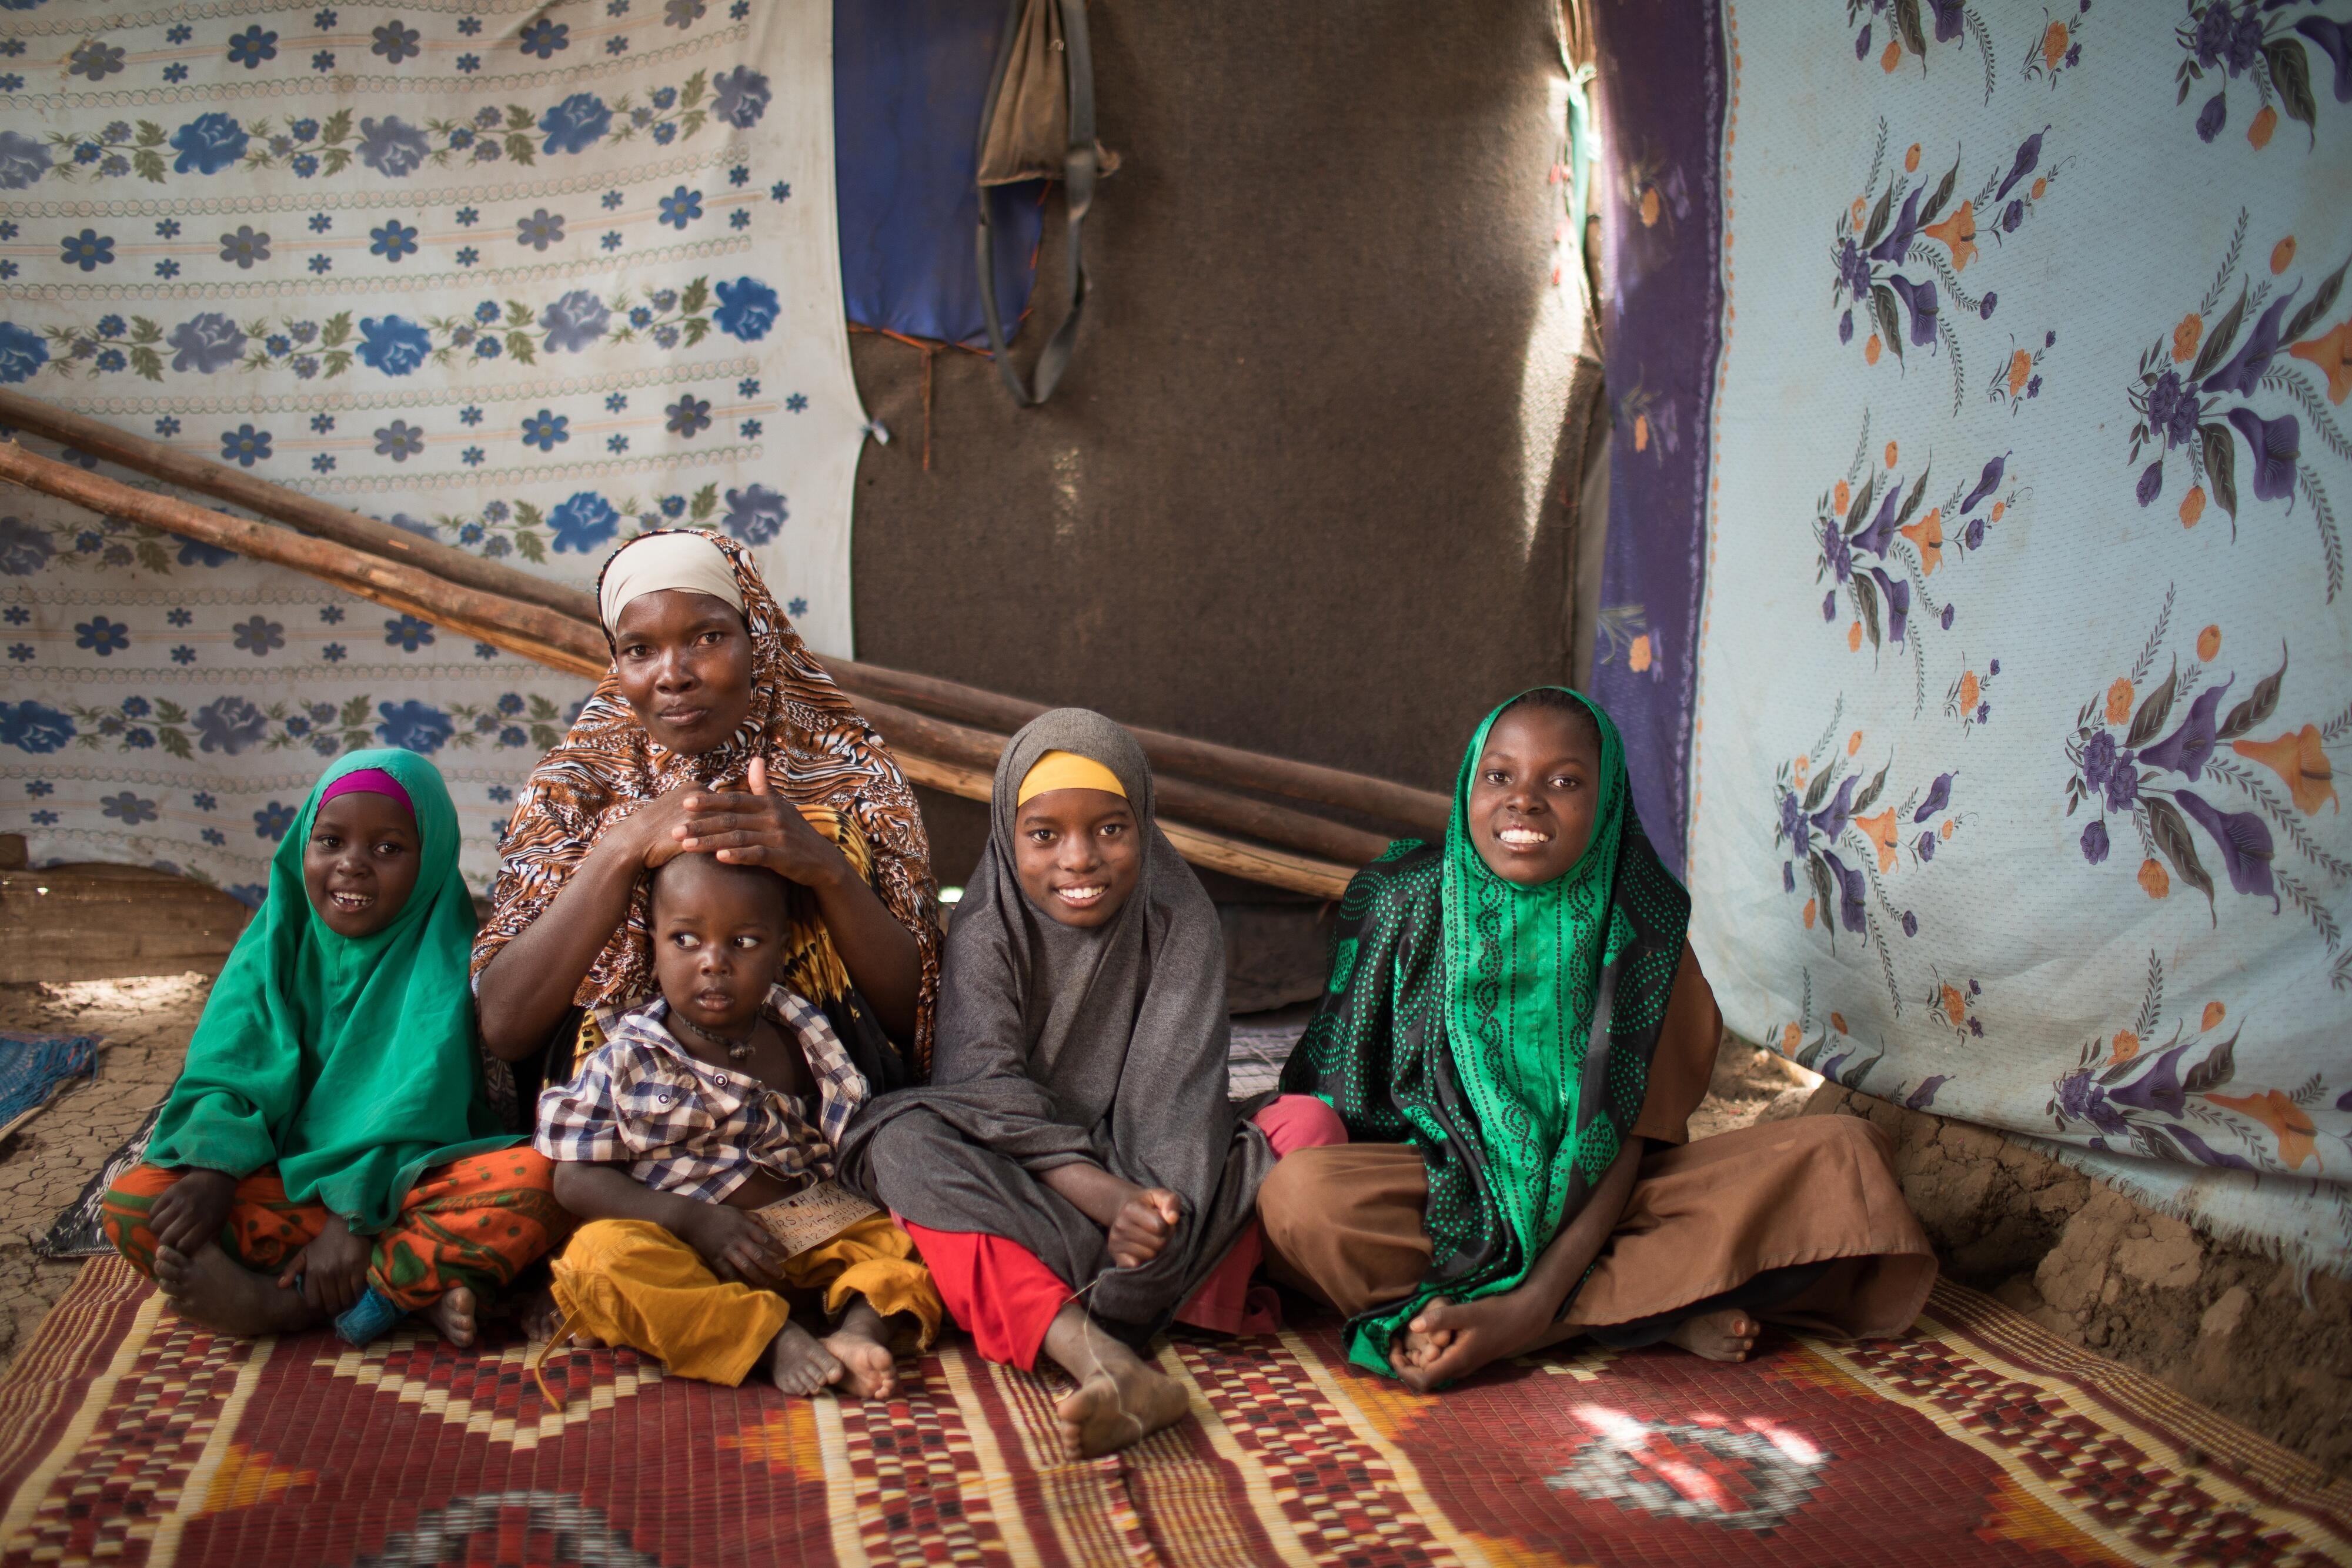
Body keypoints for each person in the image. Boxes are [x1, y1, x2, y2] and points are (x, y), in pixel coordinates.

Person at [1265, 687, 1935, 1390]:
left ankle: (1533, 1324)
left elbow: (1625, 1154)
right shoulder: (1404, 899)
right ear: (1468, 781)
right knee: (1300, 1198)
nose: (1523, 800)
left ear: (1607, 800)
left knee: (1843, 1161)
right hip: (1438, 1190)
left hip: (1600, 1203)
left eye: (1562, 782)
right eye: (1499, 776)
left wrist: (1529, 1307)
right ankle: (1640, 1314)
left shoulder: (1644, 934)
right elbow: (1339, 1096)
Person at [839, 710, 1345, 1458]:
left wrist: (1150, 1209)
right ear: (1009, 842)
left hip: (1159, 1174)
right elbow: (982, 1094)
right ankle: (1102, 1351)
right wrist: (1106, 1201)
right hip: (1031, 1180)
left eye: (1110, 830)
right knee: (903, 1143)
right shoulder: (985, 930)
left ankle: (1091, 1293)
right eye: (1044, 835)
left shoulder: (1179, 920)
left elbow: (1178, 1099)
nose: (1079, 859)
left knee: (1307, 1126)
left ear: (1142, 822)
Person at [101, 751, 566, 1347]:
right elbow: (229, 1064)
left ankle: (290, 1305)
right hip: (280, 1187)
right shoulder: (273, 942)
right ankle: (405, 1288)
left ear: (429, 864)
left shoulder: (443, 957)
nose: (353, 865)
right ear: (302, 847)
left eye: (388, 849)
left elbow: (417, 1107)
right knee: (138, 1201)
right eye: (330, 841)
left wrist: (354, 1222)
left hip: (403, 1190)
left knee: (544, 1177)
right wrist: (213, 1169)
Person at [471, 530, 939, 1121]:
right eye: (640, 650)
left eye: (708, 637)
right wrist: (621, 850)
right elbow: (507, 1027)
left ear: (758, 640)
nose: (674, 675)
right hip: (621, 1135)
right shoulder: (573, 789)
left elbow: (921, 1021)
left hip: (821, 1117)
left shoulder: (854, 776)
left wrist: (826, 871)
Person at [533, 851, 943, 1400]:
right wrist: (691, 1219)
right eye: (686, 939)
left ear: (780, 948)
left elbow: (840, 1139)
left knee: (910, 1239)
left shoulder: (803, 1035)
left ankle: (858, 1331)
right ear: (653, 942)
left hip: (799, 1229)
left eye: (744, 942)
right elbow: (574, 1179)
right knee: (600, 1258)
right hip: (680, 1238)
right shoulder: (625, 1057)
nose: (714, 962)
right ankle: (770, 1337)